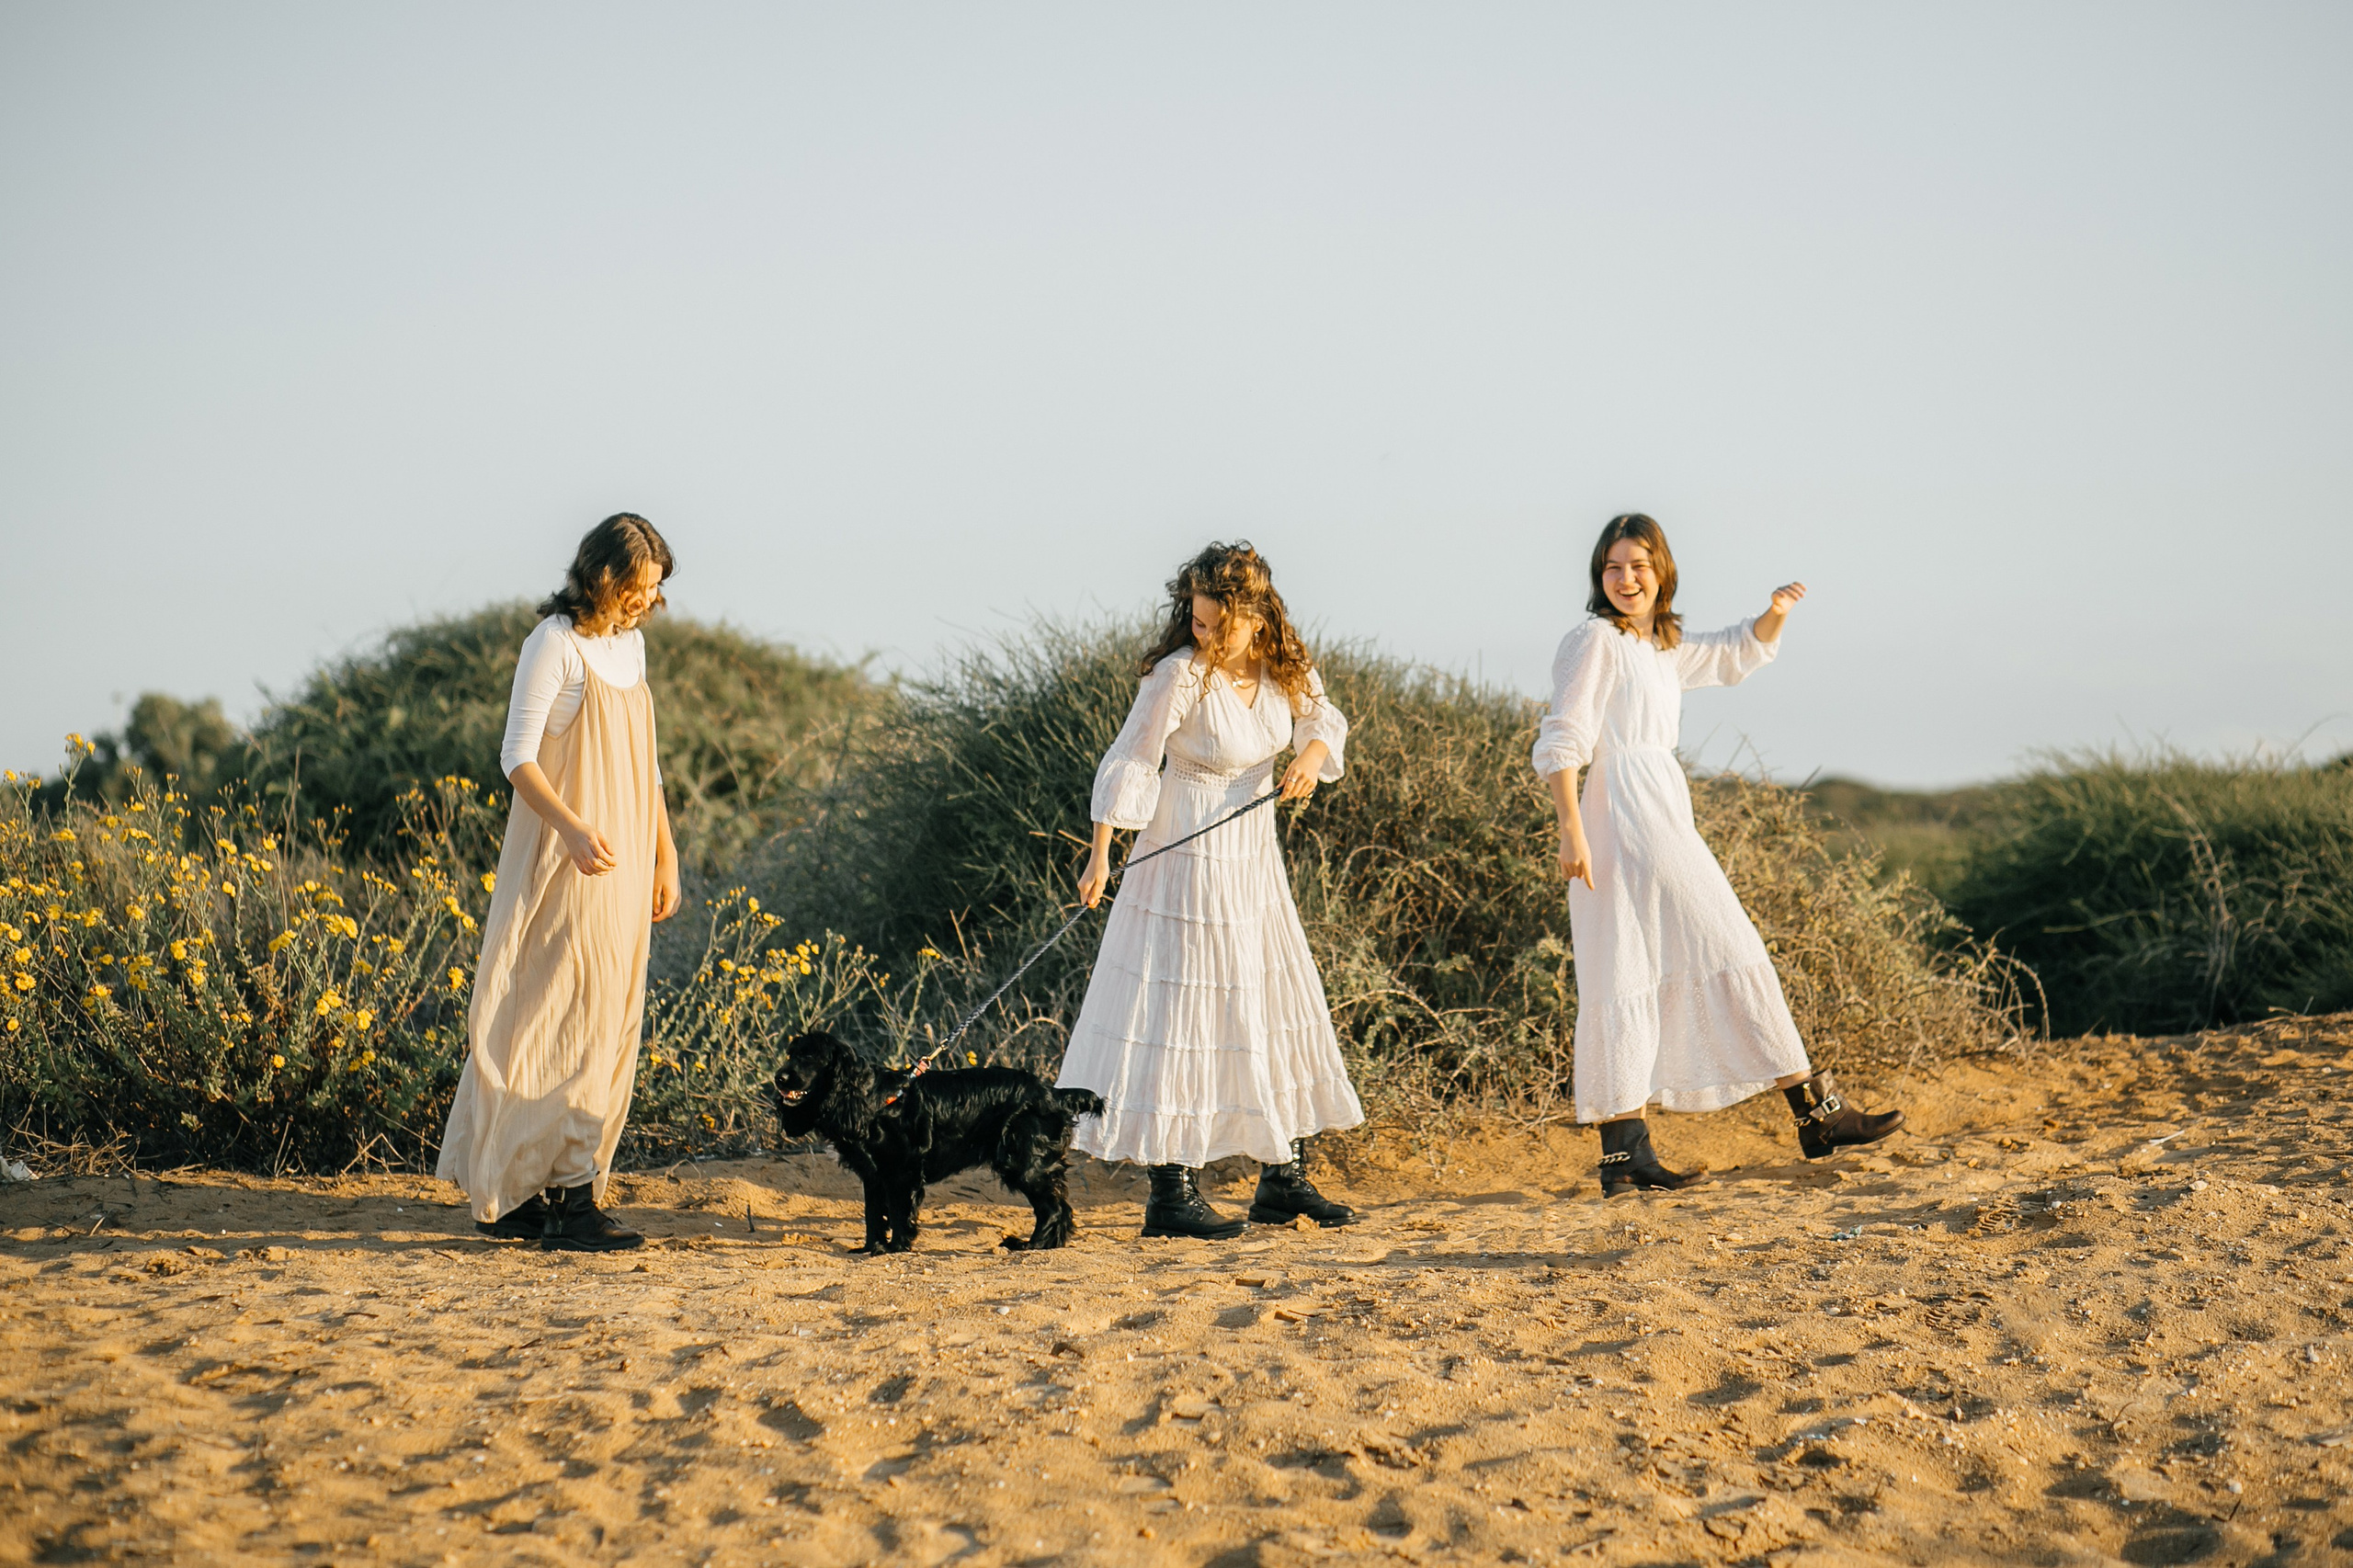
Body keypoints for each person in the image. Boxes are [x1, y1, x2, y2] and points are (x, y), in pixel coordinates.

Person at [1532, 514, 1904, 1196]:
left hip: (1658, 802)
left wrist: (1775, 614)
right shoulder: (1594, 640)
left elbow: (1734, 654)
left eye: (1639, 566)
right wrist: (1569, 828)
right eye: (1613, 568)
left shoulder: (1660, 646)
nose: (1627, 579)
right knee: (1724, 944)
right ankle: (1816, 1112)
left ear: (1662, 572)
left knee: (1637, 964)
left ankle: (1626, 1155)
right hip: (1620, 809)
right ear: (1598, 576)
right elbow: (1564, 733)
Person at [1058, 542, 1364, 1239]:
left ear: (1253, 617)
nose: (1202, 635)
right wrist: (1102, 855)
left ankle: (1281, 1181)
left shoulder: (1284, 665)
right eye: (1195, 621)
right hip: (1187, 849)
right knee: (1182, 1005)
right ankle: (1171, 1194)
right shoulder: (1180, 676)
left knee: (1267, 993)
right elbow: (1131, 758)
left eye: (1214, 625)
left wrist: (1310, 763)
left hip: (1253, 856)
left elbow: (1324, 722)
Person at [437, 513, 684, 1250]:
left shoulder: (630, 648)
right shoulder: (553, 645)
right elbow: (518, 757)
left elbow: (649, 763)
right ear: (604, 576)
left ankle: (558, 1189)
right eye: (641, 587)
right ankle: (553, 1198)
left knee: (608, 1018)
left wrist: (665, 852)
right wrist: (573, 828)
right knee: (551, 1017)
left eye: (656, 592)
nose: (648, 602)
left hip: (624, 858)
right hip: (568, 859)